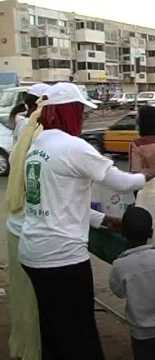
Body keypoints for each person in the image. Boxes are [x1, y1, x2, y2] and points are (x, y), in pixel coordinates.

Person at [16, 82, 153, 360]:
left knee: (53, 328)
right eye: (80, 111)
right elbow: (119, 181)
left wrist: (104, 220)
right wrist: (147, 177)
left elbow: (57, 202)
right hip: (62, 258)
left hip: (33, 252)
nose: (84, 118)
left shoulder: (38, 143)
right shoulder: (72, 147)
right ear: (68, 112)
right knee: (79, 333)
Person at [5, 83, 50, 360]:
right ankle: (36, 347)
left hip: (14, 223)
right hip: (31, 229)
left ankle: (24, 344)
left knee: (22, 294)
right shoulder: (41, 135)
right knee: (37, 298)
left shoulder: (23, 127)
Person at [110, 206, 155, 360]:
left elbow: (118, 292)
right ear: (151, 232)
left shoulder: (120, 266)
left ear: (123, 234)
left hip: (140, 332)